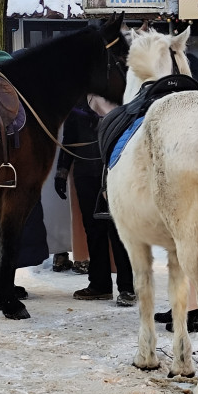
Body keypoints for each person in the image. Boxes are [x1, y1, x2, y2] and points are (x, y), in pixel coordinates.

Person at [54, 99, 135, 306]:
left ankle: (127, 288)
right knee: (93, 230)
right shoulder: (77, 105)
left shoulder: (122, 104)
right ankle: (100, 285)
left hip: (114, 173)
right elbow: (69, 139)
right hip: (84, 174)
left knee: (119, 232)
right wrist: (61, 174)